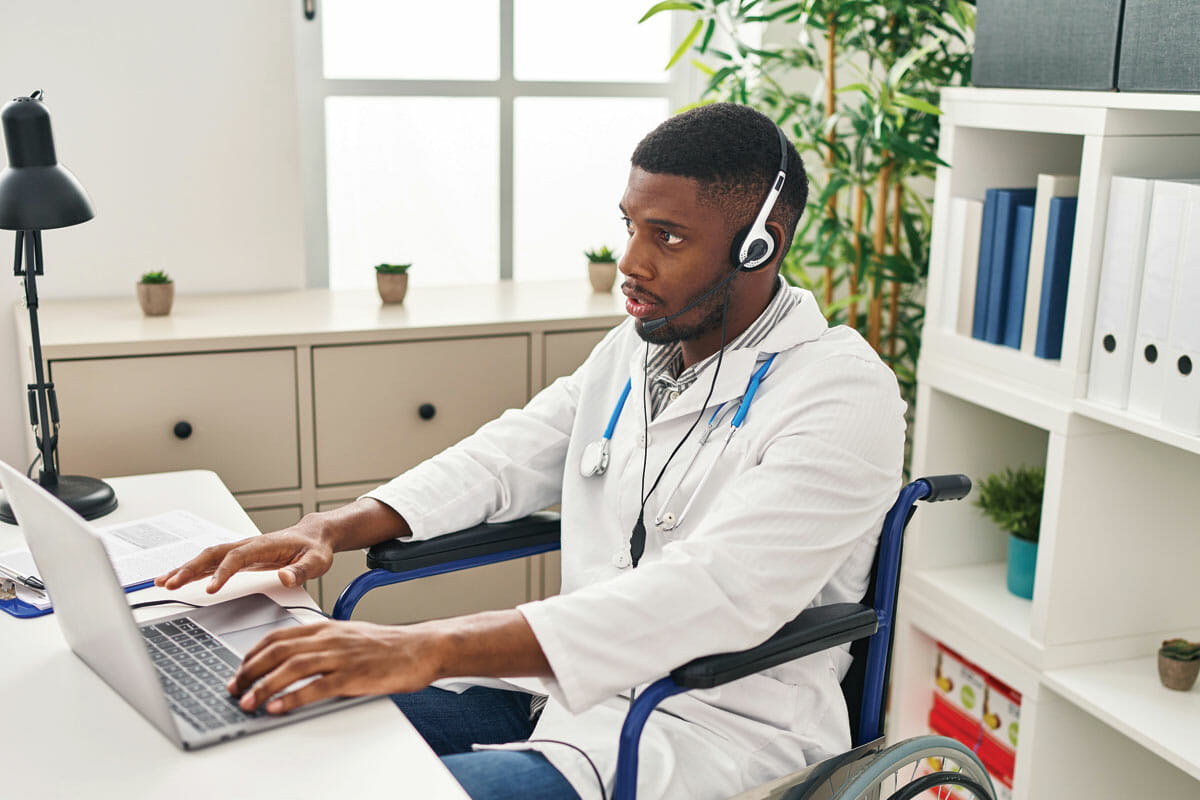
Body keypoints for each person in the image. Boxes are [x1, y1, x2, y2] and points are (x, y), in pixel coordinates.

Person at [157, 102, 906, 800]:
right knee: (270, 739)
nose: (631, 264)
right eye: (631, 226)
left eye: (666, 237)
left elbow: (714, 592)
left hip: (706, 732)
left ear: (759, 245)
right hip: (559, 700)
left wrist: (430, 644)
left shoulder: (841, 395)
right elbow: (501, 458)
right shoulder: (636, 352)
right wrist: (328, 525)